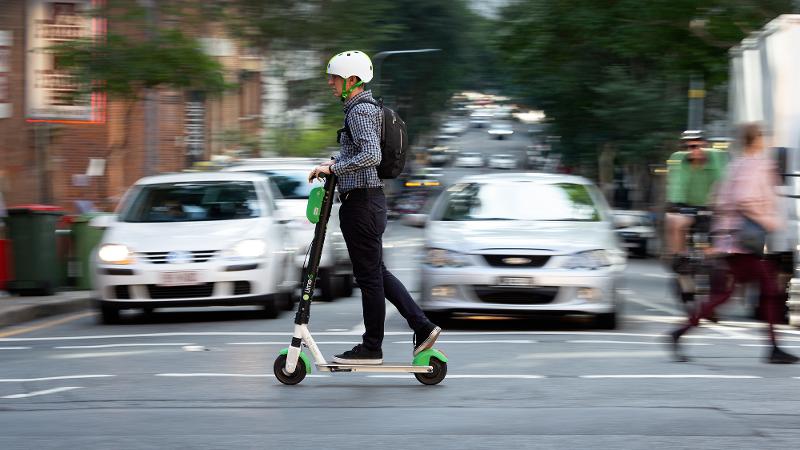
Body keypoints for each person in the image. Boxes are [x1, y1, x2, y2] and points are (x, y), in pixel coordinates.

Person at [308, 50, 440, 364]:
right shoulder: (363, 108)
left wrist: (335, 170)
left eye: (334, 78)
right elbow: (362, 155)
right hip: (369, 201)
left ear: (352, 81)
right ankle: (422, 326)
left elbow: (371, 156)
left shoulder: (359, 111)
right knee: (376, 273)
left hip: (362, 204)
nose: (330, 83)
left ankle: (372, 347)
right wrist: (335, 162)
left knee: (368, 278)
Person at [667, 123, 798, 364]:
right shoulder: (756, 164)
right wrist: (769, 222)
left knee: (727, 294)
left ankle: (680, 333)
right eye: (761, 137)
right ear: (756, 140)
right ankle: (773, 349)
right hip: (745, 241)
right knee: (768, 291)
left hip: (732, 239)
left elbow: (720, 197)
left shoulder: (736, 165)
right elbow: (745, 199)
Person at [664, 130, 726, 270]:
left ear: (705, 145)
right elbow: (676, 185)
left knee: (721, 240)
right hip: (687, 207)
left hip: (712, 207)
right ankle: (679, 256)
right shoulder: (678, 158)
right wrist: (676, 205)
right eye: (690, 147)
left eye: (699, 146)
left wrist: (720, 203)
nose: (695, 150)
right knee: (674, 221)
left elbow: (724, 181)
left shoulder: (716, 156)